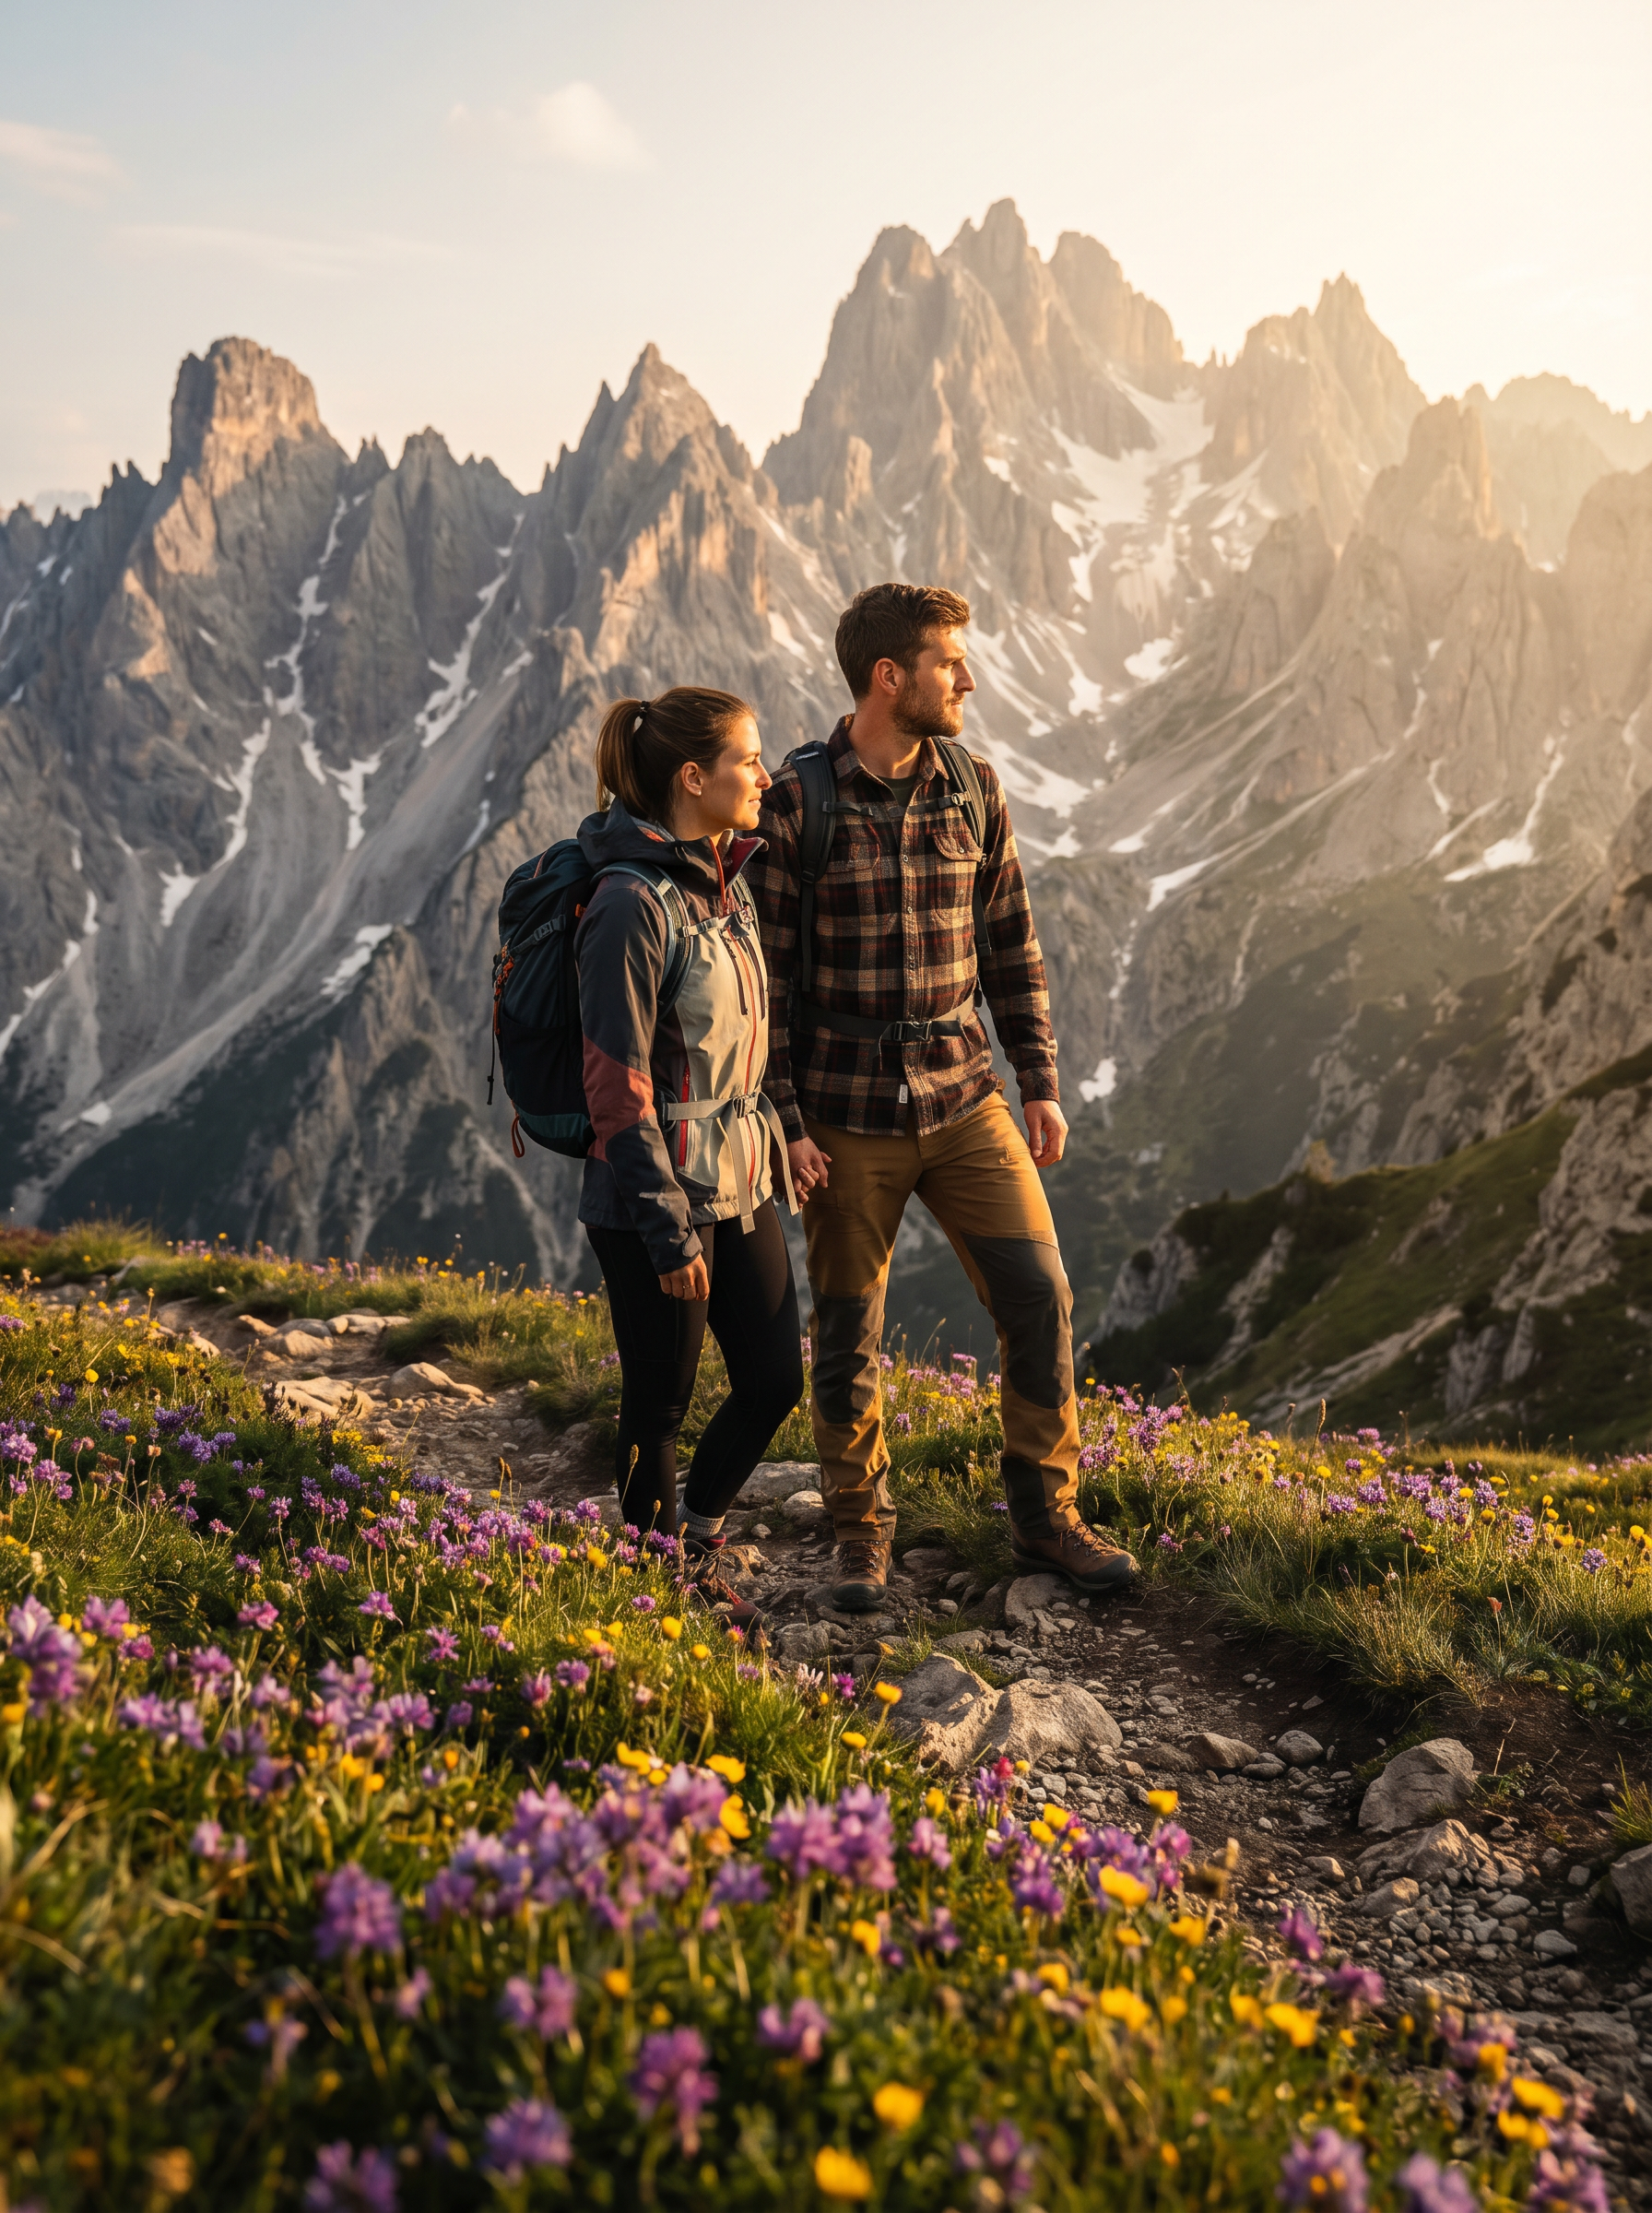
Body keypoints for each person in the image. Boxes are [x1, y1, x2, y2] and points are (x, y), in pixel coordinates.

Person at [749, 582, 1139, 1612]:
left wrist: (1039, 1082)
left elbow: (1010, 940)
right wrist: (786, 1123)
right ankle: (858, 1534)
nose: (968, 677)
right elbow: (768, 986)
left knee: (1039, 1298)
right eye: (950, 661)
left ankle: (1045, 1517)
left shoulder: (973, 784)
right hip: (843, 1112)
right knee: (846, 1332)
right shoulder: (795, 803)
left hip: (968, 1101)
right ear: (891, 676)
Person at [574, 687, 804, 1623]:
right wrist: (666, 1230)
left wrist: (783, 1135)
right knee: (658, 1406)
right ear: (692, 777)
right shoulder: (631, 904)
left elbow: (748, 1035)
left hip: (740, 1179)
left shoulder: (727, 879)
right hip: (652, 1201)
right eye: (748, 761)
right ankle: (653, 1583)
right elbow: (613, 1082)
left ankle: (695, 1537)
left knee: (772, 1379)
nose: (764, 775)